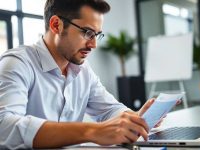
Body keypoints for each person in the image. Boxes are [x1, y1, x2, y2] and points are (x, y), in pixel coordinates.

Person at [0, 0, 156, 149]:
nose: (94, 44)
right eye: (88, 33)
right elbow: (4, 127)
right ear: (56, 25)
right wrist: (92, 131)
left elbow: (109, 110)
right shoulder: (17, 63)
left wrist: (136, 120)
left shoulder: (83, 70)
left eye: (97, 35)